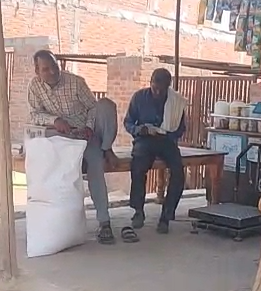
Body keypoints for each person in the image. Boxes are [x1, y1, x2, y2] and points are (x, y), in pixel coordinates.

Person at [27, 49, 119, 245]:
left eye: (54, 66)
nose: (52, 72)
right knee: (44, 161)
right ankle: (55, 222)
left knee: (95, 166)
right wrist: (55, 120)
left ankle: (104, 222)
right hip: (59, 134)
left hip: (85, 134)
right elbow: (34, 114)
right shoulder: (34, 86)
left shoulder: (76, 82)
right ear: (37, 71)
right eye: (46, 69)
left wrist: (88, 127)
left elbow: (93, 107)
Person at [124, 68, 187, 234]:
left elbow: (181, 128)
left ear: (168, 86)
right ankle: (138, 211)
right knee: (138, 167)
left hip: (167, 141)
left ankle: (166, 216)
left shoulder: (175, 102)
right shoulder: (139, 97)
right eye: (155, 88)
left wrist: (167, 132)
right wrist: (141, 129)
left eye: (162, 89)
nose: (158, 92)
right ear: (150, 82)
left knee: (178, 172)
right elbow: (128, 122)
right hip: (145, 139)